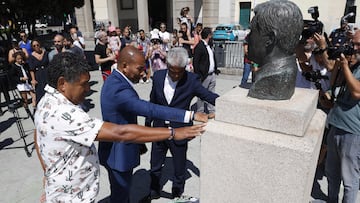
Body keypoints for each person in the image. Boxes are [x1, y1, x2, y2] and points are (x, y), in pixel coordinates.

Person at [34, 52, 205, 203]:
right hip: (74, 196)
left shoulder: (47, 101)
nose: (88, 89)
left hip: (65, 189)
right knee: (120, 196)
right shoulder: (67, 113)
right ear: (63, 83)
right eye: (84, 84)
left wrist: (49, 172)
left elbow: (37, 134)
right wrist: (174, 131)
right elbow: (123, 130)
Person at [98, 46, 208, 203]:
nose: (143, 73)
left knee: (121, 194)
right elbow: (149, 109)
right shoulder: (118, 89)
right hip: (118, 153)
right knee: (120, 196)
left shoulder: (116, 80)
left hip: (120, 148)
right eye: (139, 69)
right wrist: (190, 115)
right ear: (124, 66)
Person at [144, 47, 219, 200]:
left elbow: (208, 95)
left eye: (180, 71)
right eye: (172, 71)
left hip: (180, 131)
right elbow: (152, 102)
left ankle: (177, 195)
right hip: (159, 129)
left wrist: (226, 105)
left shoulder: (192, 80)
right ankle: (154, 190)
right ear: (167, 65)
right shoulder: (158, 77)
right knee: (155, 165)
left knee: (179, 168)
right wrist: (147, 126)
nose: (176, 75)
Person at [325, 29, 360, 203]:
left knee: (349, 179)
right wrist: (340, 64)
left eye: (359, 45)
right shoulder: (353, 64)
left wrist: (345, 65)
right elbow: (334, 83)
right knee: (331, 172)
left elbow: (357, 92)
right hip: (336, 124)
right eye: (353, 43)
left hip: (353, 132)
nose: (354, 48)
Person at [246, 0, 303, 100]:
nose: (247, 38)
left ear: (270, 39)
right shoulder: (289, 70)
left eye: (252, 31)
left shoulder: (274, 78)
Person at [193, 27, 218, 119]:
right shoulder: (199, 47)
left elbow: (212, 59)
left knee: (211, 93)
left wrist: (215, 69)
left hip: (212, 74)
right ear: (208, 35)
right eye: (211, 34)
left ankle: (211, 111)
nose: (212, 36)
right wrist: (198, 75)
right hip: (204, 75)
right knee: (201, 94)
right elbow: (196, 62)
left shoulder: (209, 46)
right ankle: (200, 111)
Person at [10, 51, 35, 119]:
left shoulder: (25, 64)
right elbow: (13, 77)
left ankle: (35, 109)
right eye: (18, 59)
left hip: (27, 83)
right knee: (25, 99)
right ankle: (27, 111)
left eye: (21, 58)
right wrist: (21, 78)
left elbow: (29, 71)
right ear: (15, 59)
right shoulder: (14, 67)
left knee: (34, 96)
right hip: (21, 85)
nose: (20, 60)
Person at [28, 39, 49, 105]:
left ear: (40, 44)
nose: (36, 46)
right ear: (32, 47)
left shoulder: (46, 53)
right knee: (41, 94)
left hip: (47, 74)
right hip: (38, 75)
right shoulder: (31, 56)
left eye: (37, 45)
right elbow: (31, 69)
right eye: (34, 46)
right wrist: (33, 79)